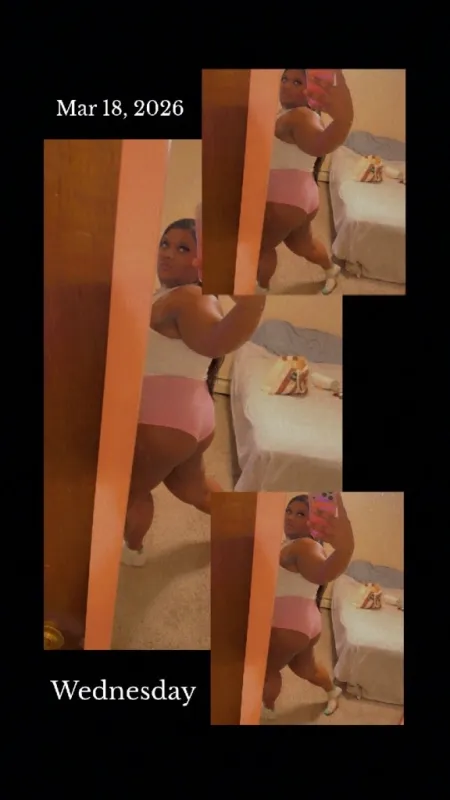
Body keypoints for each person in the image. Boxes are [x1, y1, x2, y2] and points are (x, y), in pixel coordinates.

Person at [122, 218, 266, 566]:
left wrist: (251, 305)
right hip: (189, 417)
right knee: (193, 489)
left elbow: (217, 340)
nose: (168, 254)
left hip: (165, 420)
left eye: (183, 249)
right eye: (165, 244)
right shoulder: (175, 295)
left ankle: (133, 551)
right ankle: (247, 527)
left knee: (129, 490)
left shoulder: (190, 298)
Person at [257, 69, 354, 295]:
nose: (286, 85)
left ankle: (260, 289)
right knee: (303, 244)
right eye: (285, 79)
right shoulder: (292, 113)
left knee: (261, 247)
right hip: (302, 197)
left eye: (297, 82)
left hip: (286, 200)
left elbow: (320, 143)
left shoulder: (301, 116)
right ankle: (331, 270)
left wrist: (344, 120)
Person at [262, 492, 354, 720]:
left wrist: (345, 550)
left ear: (314, 523)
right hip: (306, 624)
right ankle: (333, 691)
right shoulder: (296, 544)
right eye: (289, 511)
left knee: (266, 670)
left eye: (301, 514)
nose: (290, 517)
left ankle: (264, 711)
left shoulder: (304, 546)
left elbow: (323, 572)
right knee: (305, 668)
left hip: (288, 627)